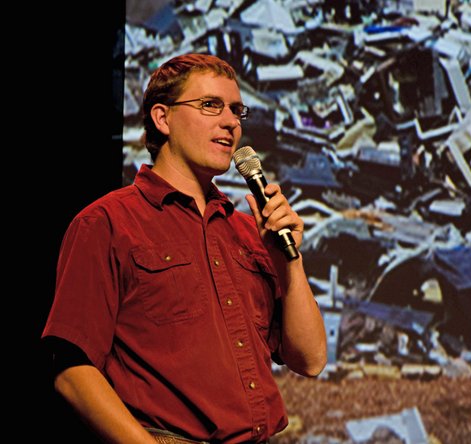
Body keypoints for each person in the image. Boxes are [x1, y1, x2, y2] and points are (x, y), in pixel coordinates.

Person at [42, 53, 327, 443]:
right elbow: (72, 371)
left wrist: (287, 261)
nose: (230, 122)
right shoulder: (107, 223)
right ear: (163, 118)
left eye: (236, 111)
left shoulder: (248, 232)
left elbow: (310, 359)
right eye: (211, 105)